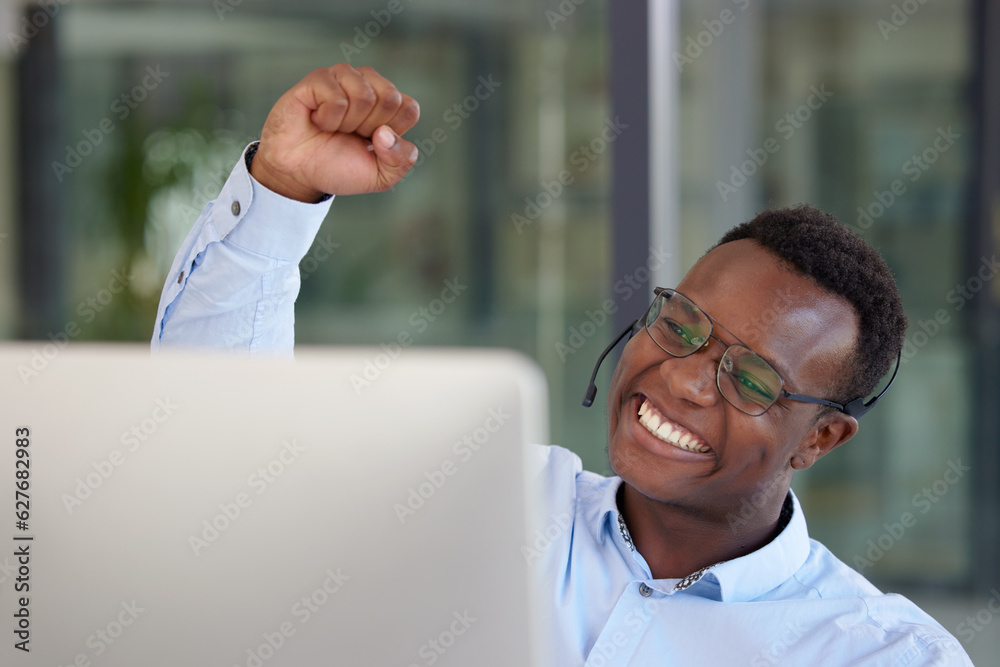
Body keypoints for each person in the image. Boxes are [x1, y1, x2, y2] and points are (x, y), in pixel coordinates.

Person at [151, 64, 973, 665]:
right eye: (685, 323)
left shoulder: (878, 654)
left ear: (819, 439)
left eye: (752, 378)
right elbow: (223, 460)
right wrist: (281, 196)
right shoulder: (480, 500)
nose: (687, 377)